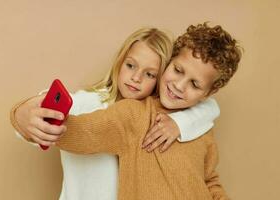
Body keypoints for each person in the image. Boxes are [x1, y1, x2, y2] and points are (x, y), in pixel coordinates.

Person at [12, 27, 221, 200]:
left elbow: (208, 109)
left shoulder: (170, 119)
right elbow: (48, 117)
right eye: (130, 66)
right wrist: (20, 113)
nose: (136, 78)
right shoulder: (90, 102)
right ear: (120, 62)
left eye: (149, 74)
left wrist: (181, 123)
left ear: (159, 78)